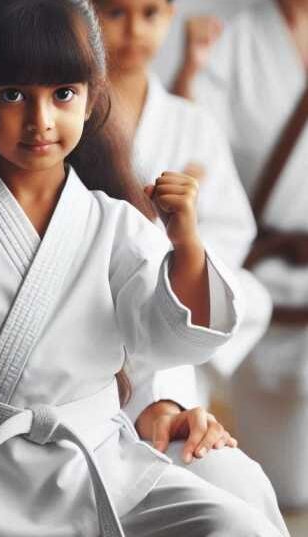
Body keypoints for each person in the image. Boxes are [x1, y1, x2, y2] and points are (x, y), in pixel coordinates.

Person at [0, 0, 283, 535]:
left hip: (101, 458)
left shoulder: (114, 221)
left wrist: (186, 241)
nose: (39, 120)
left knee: (235, 524)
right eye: (12, 95)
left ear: (92, 99)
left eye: (63, 94)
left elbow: (170, 340)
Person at [93, 0, 287, 531]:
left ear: (172, 15)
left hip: (166, 333)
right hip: (93, 334)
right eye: (114, 13)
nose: (134, 31)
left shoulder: (189, 123)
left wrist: (183, 237)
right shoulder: (66, 117)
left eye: (150, 13)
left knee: (231, 486)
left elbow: (231, 229)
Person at [173, 0, 308, 509]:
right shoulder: (228, 39)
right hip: (265, 270)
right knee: (288, 486)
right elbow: (192, 148)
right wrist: (189, 73)